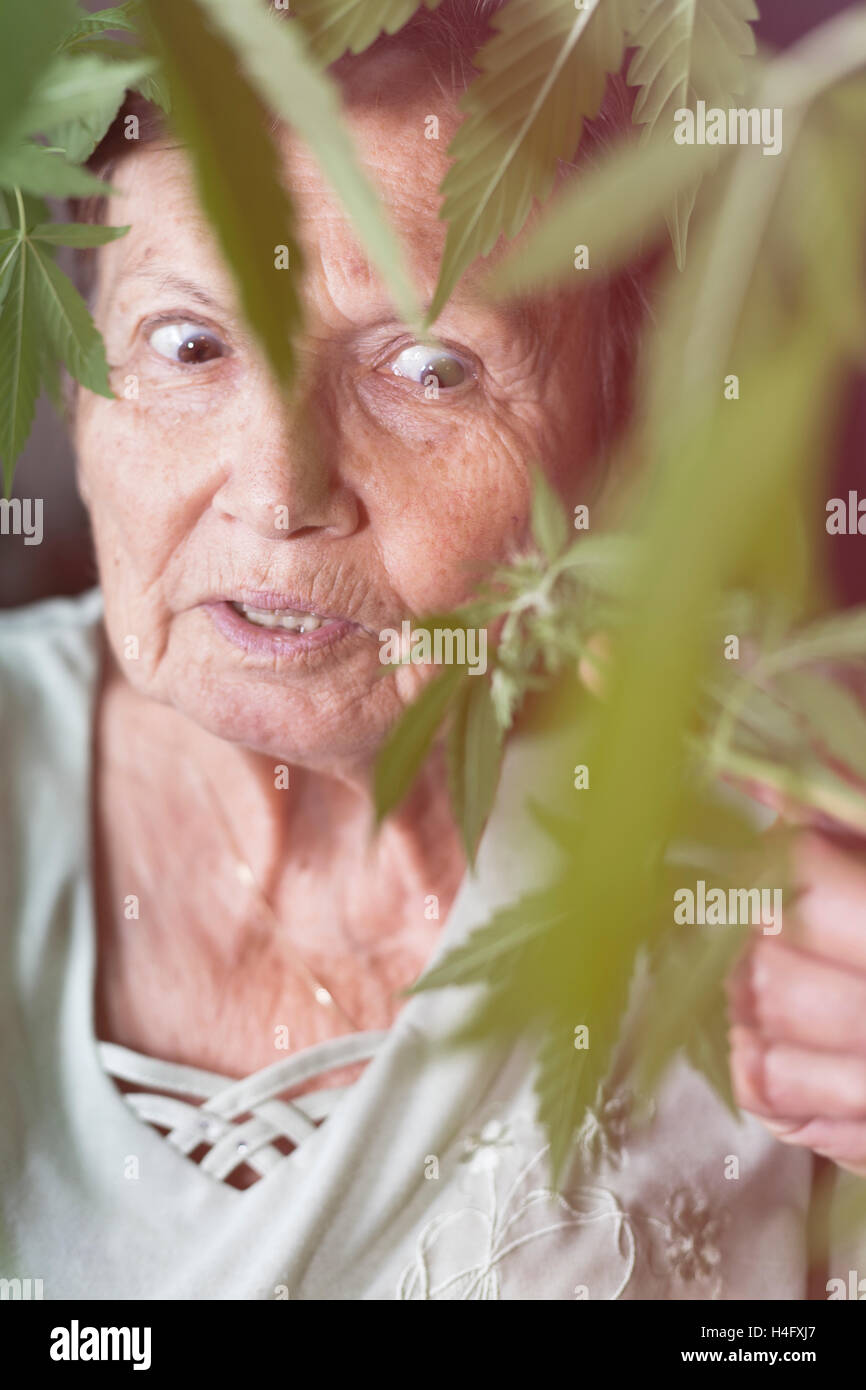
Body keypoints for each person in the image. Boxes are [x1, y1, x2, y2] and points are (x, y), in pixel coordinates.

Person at [2, 1, 865, 1300]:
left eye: (428, 367)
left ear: (618, 427)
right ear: (76, 382)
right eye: (187, 344)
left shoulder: (778, 852)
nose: (281, 489)